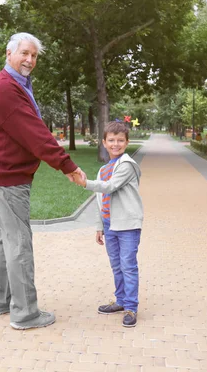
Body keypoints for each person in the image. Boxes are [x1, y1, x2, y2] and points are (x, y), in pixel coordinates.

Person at [0, 32, 86, 330]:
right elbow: (34, 132)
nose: (30, 60)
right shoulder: (6, 88)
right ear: (9, 53)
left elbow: (30, 130)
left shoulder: (16, 85)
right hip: (8, 176)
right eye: (25, 53)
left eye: (34, 56)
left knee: (6, 238)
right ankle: (25, 313)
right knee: (19, 243)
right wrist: (65, 164)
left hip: (3, 173)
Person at [73, 121, 143, 327]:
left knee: (128, 266)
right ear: (104, 142)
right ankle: (120, 301)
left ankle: (131, 307)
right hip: (109, 224)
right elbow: (99, 198)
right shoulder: (103, 169)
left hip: (127, 224)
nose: (115, 144)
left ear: (127, 142)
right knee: (116, 266)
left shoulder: (127, 165)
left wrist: (84, 183)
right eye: (111, 140)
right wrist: (99, 226)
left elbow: (110, 187)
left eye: (120, 140)